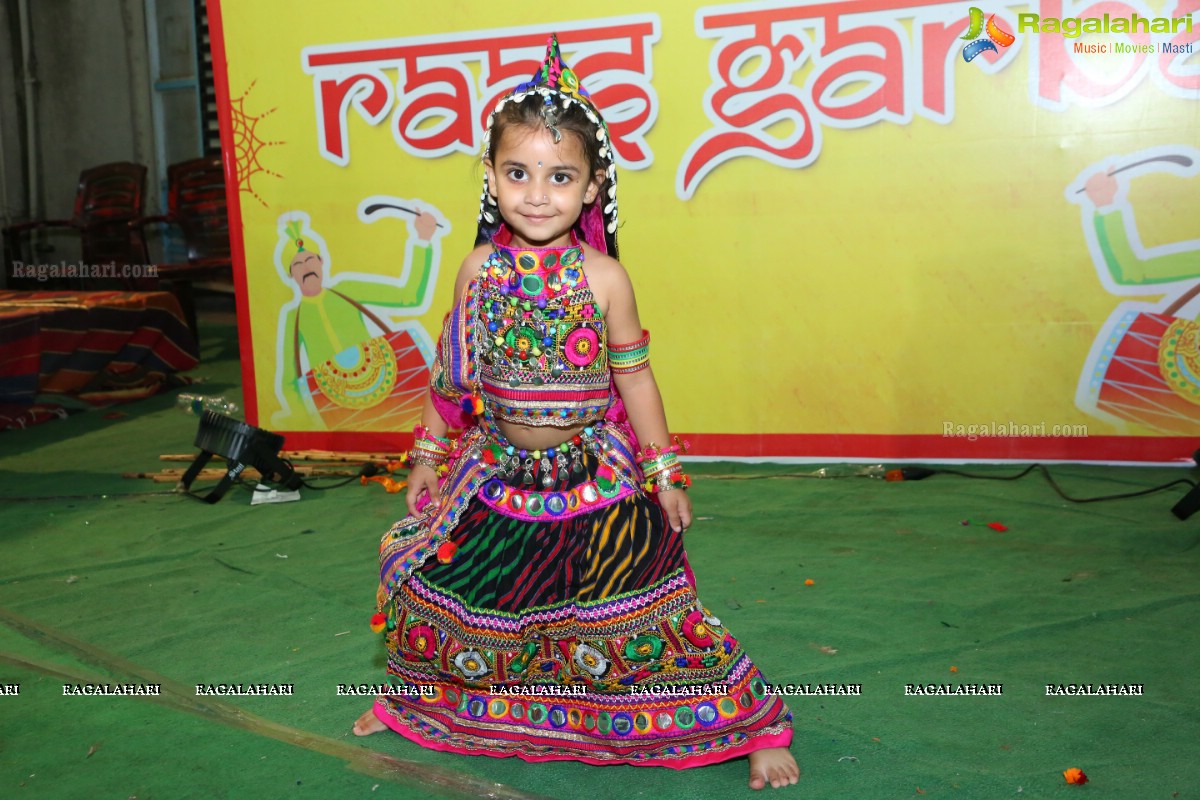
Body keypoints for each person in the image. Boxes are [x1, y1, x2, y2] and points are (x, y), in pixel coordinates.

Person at [353, 35, 799, 790]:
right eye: (517, 173)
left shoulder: (606, 279)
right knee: (459, 596)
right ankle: (417, 702)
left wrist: (665, 475)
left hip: (597, 482)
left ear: (592, 187)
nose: (536, 193)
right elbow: (454, 377)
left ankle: (749, 724)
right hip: (495, 477)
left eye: (560, 177)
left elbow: (638, 384)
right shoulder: (475, 270)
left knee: (651, 615)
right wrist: (428, 457)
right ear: (491, 178)